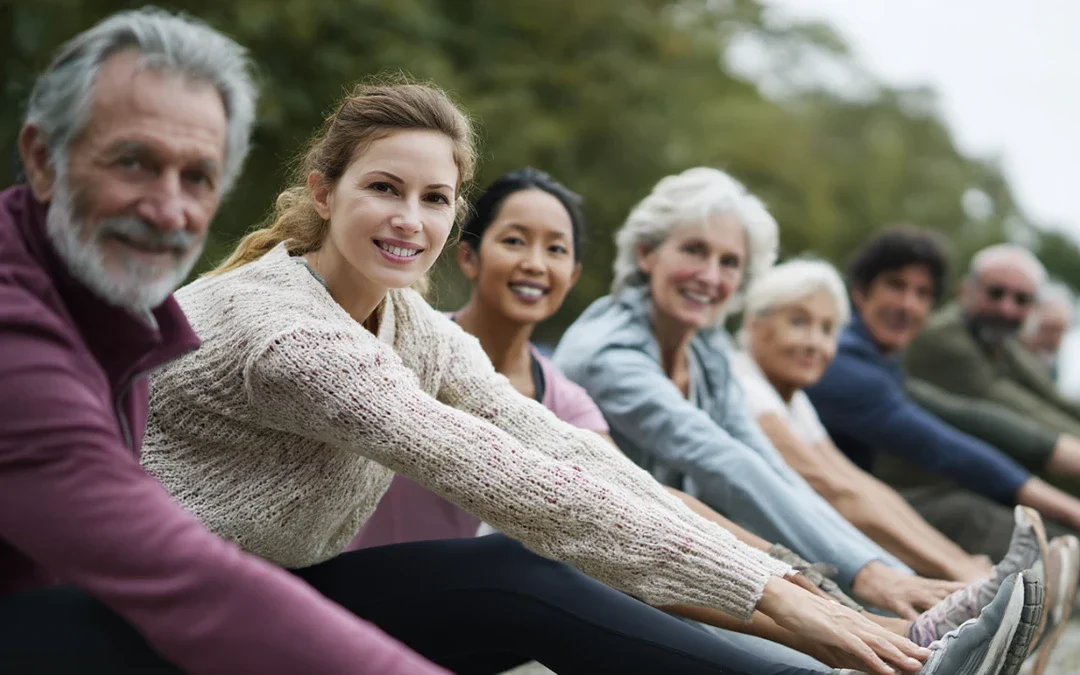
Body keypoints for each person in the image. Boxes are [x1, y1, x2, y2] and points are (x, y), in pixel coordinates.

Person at [138, 81, 1026, 674]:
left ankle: (890, 650)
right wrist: (832, 625)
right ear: (324, 191)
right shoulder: (287, 333)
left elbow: (567, 451)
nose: (410, 219)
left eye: (435, 197)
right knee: (523, 573)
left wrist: (831, 602)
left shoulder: (404, 318)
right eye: (384, 188)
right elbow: (510, 476)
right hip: (148, 617)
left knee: (523, 571)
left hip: (259, 589)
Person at [353, 168, 1045, 671]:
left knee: (601, 559)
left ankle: (896, 647)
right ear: (466, 254)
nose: (537, 262)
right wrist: (862, 585)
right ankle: (894, 644)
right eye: (515, 241)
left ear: (574, 270)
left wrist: (831, 595)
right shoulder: (426, 348)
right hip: (379, 594)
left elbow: (656, 496)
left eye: (556, 249)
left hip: (508, 597)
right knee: (555, 563)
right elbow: (708, 471)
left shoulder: (564, 387)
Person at [0, 9, 452, 675]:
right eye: (134, 162)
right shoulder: (16, 333)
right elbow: (179, 578)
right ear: (43, 160)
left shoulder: (111, 303)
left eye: (198, 177)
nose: (168, 208)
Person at [553, 167, 970, 619]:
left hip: (670, 558)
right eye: (694, 250)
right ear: (647, 253)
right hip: (592, 572)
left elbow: (766, 463)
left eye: (729, 262)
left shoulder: (705, 343)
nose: (710, 276)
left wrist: (889, 571)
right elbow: (717, 459)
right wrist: (870, 574)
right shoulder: (608, 351)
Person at [805, 229, 1080, 550]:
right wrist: (1069, 508)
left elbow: (963, 413)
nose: (908, 305)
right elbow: (945, 446)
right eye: (895, 285)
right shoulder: (845, 360)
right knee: (976, 516)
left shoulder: (877, 358)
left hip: (849, 498)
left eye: (922, 294)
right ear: (861, 291)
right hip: (829, 510)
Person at [733, 258, 991, 582]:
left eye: (827, 329)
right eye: (799, 322)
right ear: (756, 323)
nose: (815, 342)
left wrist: (960, 562)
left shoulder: (793, 397)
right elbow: (832, 489)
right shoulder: (745, 386)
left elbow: (855, 481)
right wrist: (958, 574)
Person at [904, 244, 1080, 444]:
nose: (1006, 309)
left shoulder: (995, 338)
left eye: (1021, 299)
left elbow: (1049, 393)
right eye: (995, 293)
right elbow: (1022, 411)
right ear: (966, 291)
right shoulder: (945, 339)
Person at [1020, 281, 1074, 378]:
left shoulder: (1053, 364)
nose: (1056, 339)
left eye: (1061, 331)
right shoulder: (1012, 354)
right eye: (1051, 330)